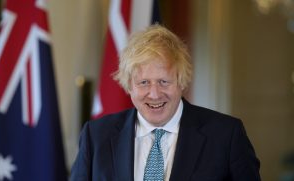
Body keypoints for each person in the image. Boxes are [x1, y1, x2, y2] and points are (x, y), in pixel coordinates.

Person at [70, 24, 261, 181]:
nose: (154, 94)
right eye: (144, 83)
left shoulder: (226, 135)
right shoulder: (96, 136)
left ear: (181, 82)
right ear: (130, 86)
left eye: (164, 82)